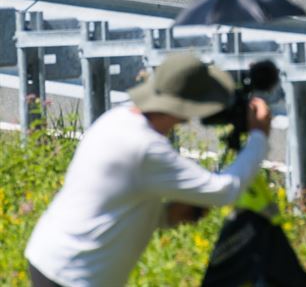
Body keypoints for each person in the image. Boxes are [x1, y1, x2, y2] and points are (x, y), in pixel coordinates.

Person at [24, 52, 272, 287]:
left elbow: (116, 203)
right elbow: (224, 190)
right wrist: (259, 136)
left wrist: (166, 215)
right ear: (187, 108)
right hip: (72, 275)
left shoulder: (118, 119)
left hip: (54, 257)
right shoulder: (145, 147)